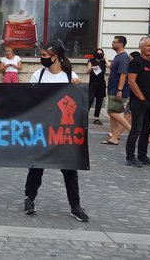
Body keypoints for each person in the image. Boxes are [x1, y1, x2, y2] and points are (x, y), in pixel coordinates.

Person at [23, 41, 89, 222]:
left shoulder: (70, 77)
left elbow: (79, 105)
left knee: (69, 170)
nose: (41, 59)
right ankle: (29, 199)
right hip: (43, 130)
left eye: (44, 56)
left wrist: (78, 87)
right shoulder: (38, 75)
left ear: (56, 57)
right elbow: (30, 101)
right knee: (36, 166)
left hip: (64, 132)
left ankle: (75, 206)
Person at [124, 37, 150, 168]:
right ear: (141, 47)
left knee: (147, 130)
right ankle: (130, 157)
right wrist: (141, 98)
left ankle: (142, 155)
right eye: (148, 46)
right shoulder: (136, 62)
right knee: (136, 129)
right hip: (139, 102)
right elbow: (131, 81)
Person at [102, 36, 131, 146]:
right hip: (113, 90)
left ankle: (132, 130)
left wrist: (120, 89)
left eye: (115, 42)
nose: (112, 43)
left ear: (121, 44)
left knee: (113, 112)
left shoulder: (123, 57)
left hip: (117, 90)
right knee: (112, 114)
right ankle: (114, 137)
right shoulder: (118, 56)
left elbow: (123, 74)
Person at [87, 48, 108, 125]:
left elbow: (109, 66)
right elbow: (87, 71)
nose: (99, 54)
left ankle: (96, 118)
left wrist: (105, 59)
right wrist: (92, 68)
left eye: (101, 53)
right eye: (98, 53)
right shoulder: (91, 60)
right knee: (90, 100)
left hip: (101, 84)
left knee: (99, 101)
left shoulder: (103, 61)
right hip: (93, 84)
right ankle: (85, 116)